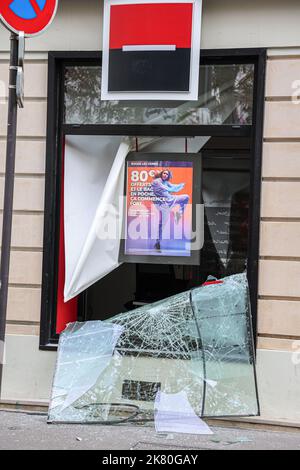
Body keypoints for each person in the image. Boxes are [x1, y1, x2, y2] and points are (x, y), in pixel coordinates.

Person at [151, 169, 189, 251]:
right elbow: (171, 189)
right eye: (164, 173)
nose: (165, 175)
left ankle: (178, 215)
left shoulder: (166, 182)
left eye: (167, 174)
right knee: (162, 224)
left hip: (171, 200)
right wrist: (179, 186)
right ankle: (157, 243)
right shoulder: (157, 182)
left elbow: (173, 186)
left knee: (186, 197)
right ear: (161, 174)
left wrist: (180, 185)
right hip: (164, 205)